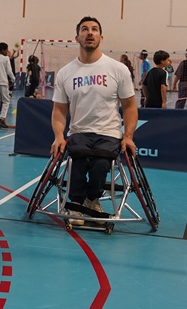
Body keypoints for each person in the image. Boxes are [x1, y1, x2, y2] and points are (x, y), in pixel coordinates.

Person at [50, 16, 137, 226]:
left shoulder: (118, 69)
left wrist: (128, 136)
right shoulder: (65, 73)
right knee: (78, 160)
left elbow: (130, 107)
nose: (90, 33)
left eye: (94, 29)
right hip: (79, 132)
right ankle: (77, 206)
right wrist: (59, 136)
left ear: (101, 36)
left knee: (100, 163)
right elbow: (59, 110)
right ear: (77, 37)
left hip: (108, 133)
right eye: (85, 29)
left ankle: (92, 200)